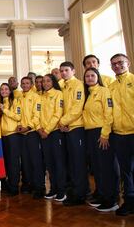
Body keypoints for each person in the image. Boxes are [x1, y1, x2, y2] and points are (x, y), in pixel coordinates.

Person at [83, 67, 119, 212]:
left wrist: (104, 134)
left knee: (106, 167)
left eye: (92, 75)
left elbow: (109, 113)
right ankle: (102, 195)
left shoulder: (104, 91)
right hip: (90, 133)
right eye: (87, 76)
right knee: (97, 167)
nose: (90, 78)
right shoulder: (89, 94)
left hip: (101, 133)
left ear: (98, 77)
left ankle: (112, 199)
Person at [58, 61, 88, 206]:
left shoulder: (79, 85)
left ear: (73, 71)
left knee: (78, 162)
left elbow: (77, 108)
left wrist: (62, 122)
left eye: (66, 70)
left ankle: (80, 194)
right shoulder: (61, 86)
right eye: (61, 71)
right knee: (69, 162)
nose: (63, 73)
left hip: (76, 128)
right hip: (64, 129)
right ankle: (74, 191)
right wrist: (62, 123)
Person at [108, 53, 134, 216]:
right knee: (126, 170)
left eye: (120, 63)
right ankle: (129, 201)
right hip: (118, 133)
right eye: (114, 64)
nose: (117, 66)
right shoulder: (111, 86)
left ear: (128, 63)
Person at [38, 74, 66, 202]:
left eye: (48, 80)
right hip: (43, 134)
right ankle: (53, 189)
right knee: (49, 163)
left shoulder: (58, 94)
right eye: (43, 81)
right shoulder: (40, 96)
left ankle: (61, 191)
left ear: (53, 82)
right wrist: (39, 129)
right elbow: (36, 114)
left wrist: (47, 130)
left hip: (54, 133)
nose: (45, 83)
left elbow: (57, 114)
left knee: (58, 162)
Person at [17, 77, 44, 199]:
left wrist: (28, 127)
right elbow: (17, 114)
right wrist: (18, 126)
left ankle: (39, 187)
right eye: (23, 83)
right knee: (25, 161)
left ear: (31, 84)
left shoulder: (36, 97)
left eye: (27, 83)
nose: (25, 85)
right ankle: (28, 184)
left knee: (36, 161)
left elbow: (36, 115)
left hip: (32, 132)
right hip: (21, 134)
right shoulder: (19, 97)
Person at [0, 83, 21, 196]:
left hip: (13, 135)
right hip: (2, 136)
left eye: (6, 89)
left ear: (10, 90)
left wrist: (5, 110)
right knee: (5, 162)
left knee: (13, 162)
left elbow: (18, 116)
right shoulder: (0, 103)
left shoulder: (15, 101)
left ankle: (14, 186)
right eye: (2, 89)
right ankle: (6, 185)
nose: (4, 91)